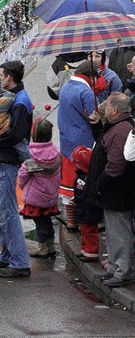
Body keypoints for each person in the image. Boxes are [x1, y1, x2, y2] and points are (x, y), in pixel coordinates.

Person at [0, 60, 32, 278]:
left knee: (9, 212)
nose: (0, 78)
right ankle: (6, 255)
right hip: (1, 160)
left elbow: (17, 134)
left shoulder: (20, 102)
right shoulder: (15, 99)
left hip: (6, 162)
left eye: (2, 75)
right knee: (1, 211)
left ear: (9, 78)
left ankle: (20, 262)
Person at [87, 92, 135, 287]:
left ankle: (122, 271)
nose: (102, 108)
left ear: (114, 110)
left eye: (106, 106)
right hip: (116, 192)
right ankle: (116, 267)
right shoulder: (119, 126)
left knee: (119, 232)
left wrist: (100, 186)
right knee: (115, 232)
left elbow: (115, 165)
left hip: (117, 192)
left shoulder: (121, 130)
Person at [57, 59, 101, 230]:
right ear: (92, 76)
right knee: (84, 183)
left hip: (67, 142)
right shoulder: (86, 92)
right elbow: (93, 118)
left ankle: (71, 220)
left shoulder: (66, 87)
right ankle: (86, 221)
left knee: (68, 182)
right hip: (84, 143)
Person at [18, 119, 61, 259]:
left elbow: (23, 175)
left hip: (36, 197)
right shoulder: (55, 151)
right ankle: (50, 245)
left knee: (40, 223)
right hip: (51, 194)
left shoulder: (31, 155)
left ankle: (43, 248)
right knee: (47, 221)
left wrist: (22, 186)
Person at [72, 145, 104, 262]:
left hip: (86, 210)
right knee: (85, 230)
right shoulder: (87, 177)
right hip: (85, 209)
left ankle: (91, 252)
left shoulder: (84, 179)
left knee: (89, 231)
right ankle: (86, 250)